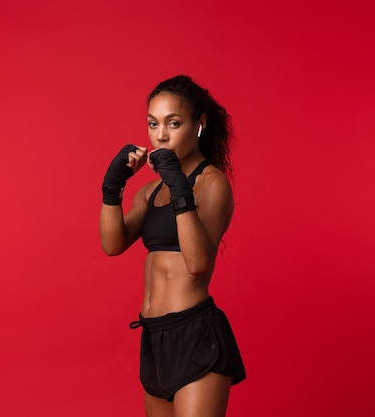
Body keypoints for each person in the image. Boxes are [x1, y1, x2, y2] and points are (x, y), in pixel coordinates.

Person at [99, 75, 245, 417]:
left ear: (199, 125)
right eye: (153, 123)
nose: (160, 135)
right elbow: (113, 243)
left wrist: (180, 187)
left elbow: (199, 263)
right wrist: (111, 187)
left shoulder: (212, 183)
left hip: (195, 335)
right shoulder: (150, 191)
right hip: (155, 337)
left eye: (173, 123)